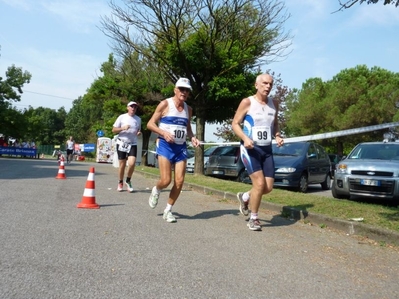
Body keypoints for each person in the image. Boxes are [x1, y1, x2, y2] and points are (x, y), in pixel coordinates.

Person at [232, 73, 284, 231]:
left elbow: (274, 124)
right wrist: (245, 138)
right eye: (265, 83)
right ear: (256, 85)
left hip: (267, 150)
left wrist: (277, 135)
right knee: (259, 184)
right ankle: (253, 218)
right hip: (250, 149)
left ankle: (246, 196)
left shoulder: (274, 103)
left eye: (270, 84)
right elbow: (235, 124)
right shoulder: (247, 102)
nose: (268, 86)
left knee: (267, 188)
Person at [147, 78, 200, 223]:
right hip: (165, 145)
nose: (184, 92)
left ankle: (168, 210)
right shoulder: (165, 104)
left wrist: (193, 137)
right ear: (175, 90)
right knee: (166, 180)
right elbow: (150, 124)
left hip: (180, 147)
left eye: (187, 90)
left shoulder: (188, 109)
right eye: (181, 89)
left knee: (180, 181)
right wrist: (163, 133)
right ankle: (156, 190)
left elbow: (187, 128)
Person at [112, 101, 142, 193]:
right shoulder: (122, 117)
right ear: (127, 107)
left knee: (132, 163)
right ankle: (120, 182)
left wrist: (139, 133)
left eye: (135, 107)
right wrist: (122, 128)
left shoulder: (138, 119)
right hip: (122, 143)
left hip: (132, 143)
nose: (133, 108)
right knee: (122, 165)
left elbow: (138, 130)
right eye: (131, 106)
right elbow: (113, 130)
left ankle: (128, 181)